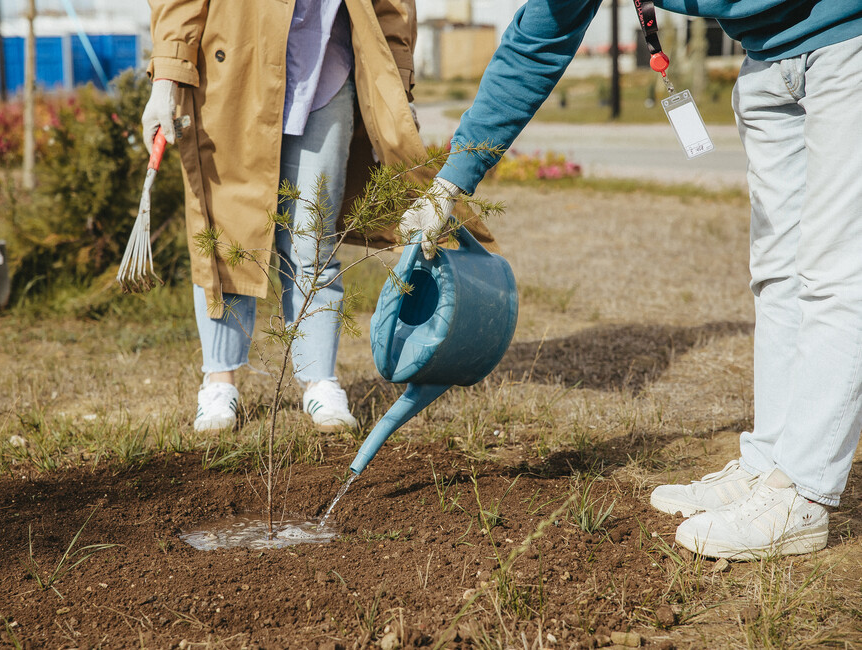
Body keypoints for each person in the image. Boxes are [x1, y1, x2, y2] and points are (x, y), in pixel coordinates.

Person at [399, 1, 862, 559]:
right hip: (767, 59)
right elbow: (536, 41)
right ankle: (768, 465)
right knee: (777, 275)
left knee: (836, 274)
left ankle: (802, 494)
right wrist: (452, 184)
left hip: (847, 42)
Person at [143, 1, 499, 434]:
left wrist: (398, 84)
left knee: (314, 237)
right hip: (232, 71)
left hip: (327, 76)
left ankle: (319, 380)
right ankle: (219, 382)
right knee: (225, 232)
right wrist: (168, 74)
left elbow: (394, 5)